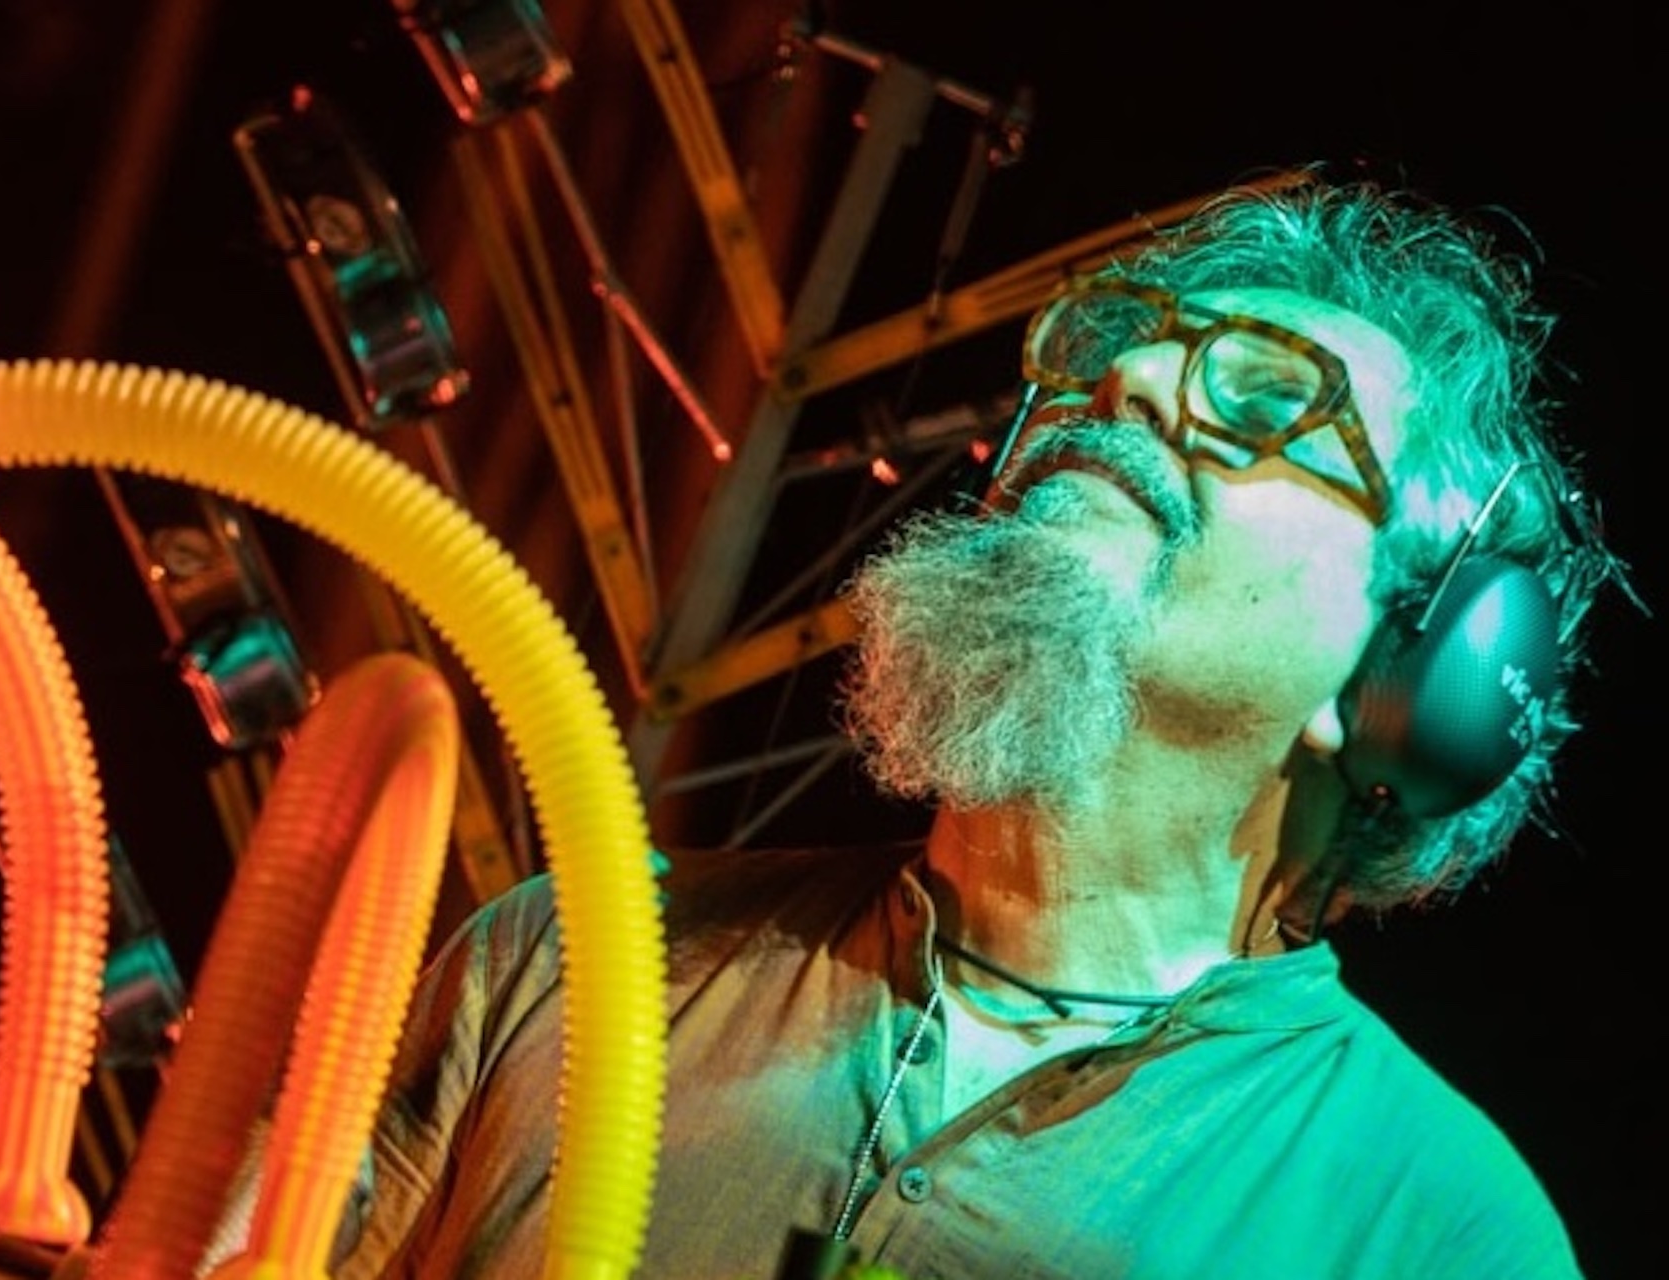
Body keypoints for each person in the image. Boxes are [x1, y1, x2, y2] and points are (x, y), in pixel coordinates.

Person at [328, 173, 1627, 1278]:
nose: (1123, 379)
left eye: (1262, 399)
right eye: (1113, 351)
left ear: (1413, 673)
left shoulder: (1437, 1231)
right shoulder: (562, 957)